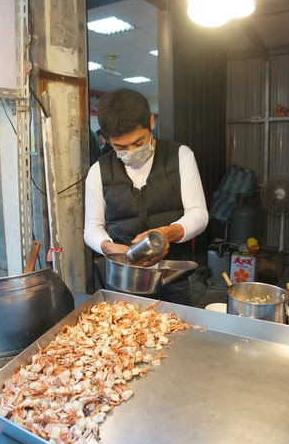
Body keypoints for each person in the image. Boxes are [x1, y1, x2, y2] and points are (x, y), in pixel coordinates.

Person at [84, 88, 208, 306]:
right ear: (106, 138)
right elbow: (92, 228)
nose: (131, 151)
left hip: (172, 279)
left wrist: (167, 234)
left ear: (151, 123)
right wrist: (109, 248)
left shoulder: (180, 156)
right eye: (120, 147)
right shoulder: (98, 171)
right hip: (124, 280)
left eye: (139, 142)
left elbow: (198, 214)